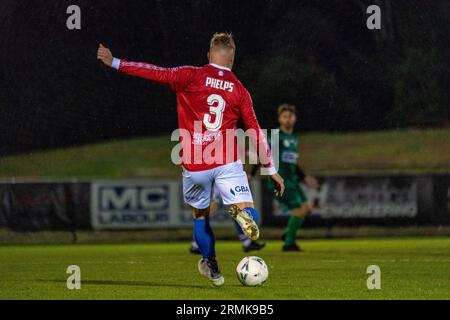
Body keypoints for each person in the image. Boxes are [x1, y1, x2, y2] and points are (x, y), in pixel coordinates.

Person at [97, 32, 284, 286]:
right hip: (227, 161)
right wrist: (271, 168)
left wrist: (116, 62)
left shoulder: (191, 75)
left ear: (209, 55)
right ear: (232, 60)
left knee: (200, 216)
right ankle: (243, 215)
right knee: (246, 209)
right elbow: (254, 129)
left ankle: (213, 268)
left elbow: (155, 72)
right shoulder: (240, 90)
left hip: (195, 163)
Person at [249, 104, 318, 252]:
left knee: (306, 209)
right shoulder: (275, 137)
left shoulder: (293, 138)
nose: (287, 120)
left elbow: (292, 161)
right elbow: (263, 153)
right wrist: (252, 173)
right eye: (284, 117)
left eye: (290, 117)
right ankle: (289, 243)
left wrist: (304, 177)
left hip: (293, 180)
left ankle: (288, 233)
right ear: (280, 119)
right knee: (299, 210)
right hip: (281, 180)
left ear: (295, 119)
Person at [189, 184, 266, 254]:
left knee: (236, 210)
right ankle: (196, 243)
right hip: (219, 177)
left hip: (224, 178)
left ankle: (247, 242)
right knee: (210, 210)